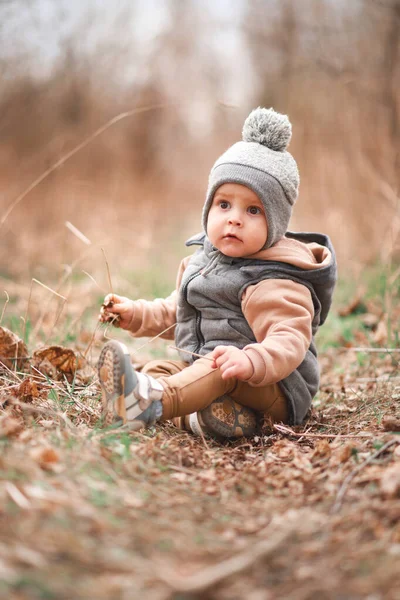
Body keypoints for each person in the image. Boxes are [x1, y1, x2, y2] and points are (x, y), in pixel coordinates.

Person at [97, 107, 337, 439]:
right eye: (224, 204)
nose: (234, 218)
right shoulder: (204, 261)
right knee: (161, 370)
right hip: (213, 369)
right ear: (208, 207)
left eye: (253, 210)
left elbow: (289, 340)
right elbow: (177, 312)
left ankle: (149, 402)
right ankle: (205, 419)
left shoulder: (275, 279)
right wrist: (134, 314)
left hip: (274, 387)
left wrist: (250, 361)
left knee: (217, 369)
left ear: (277, 223)